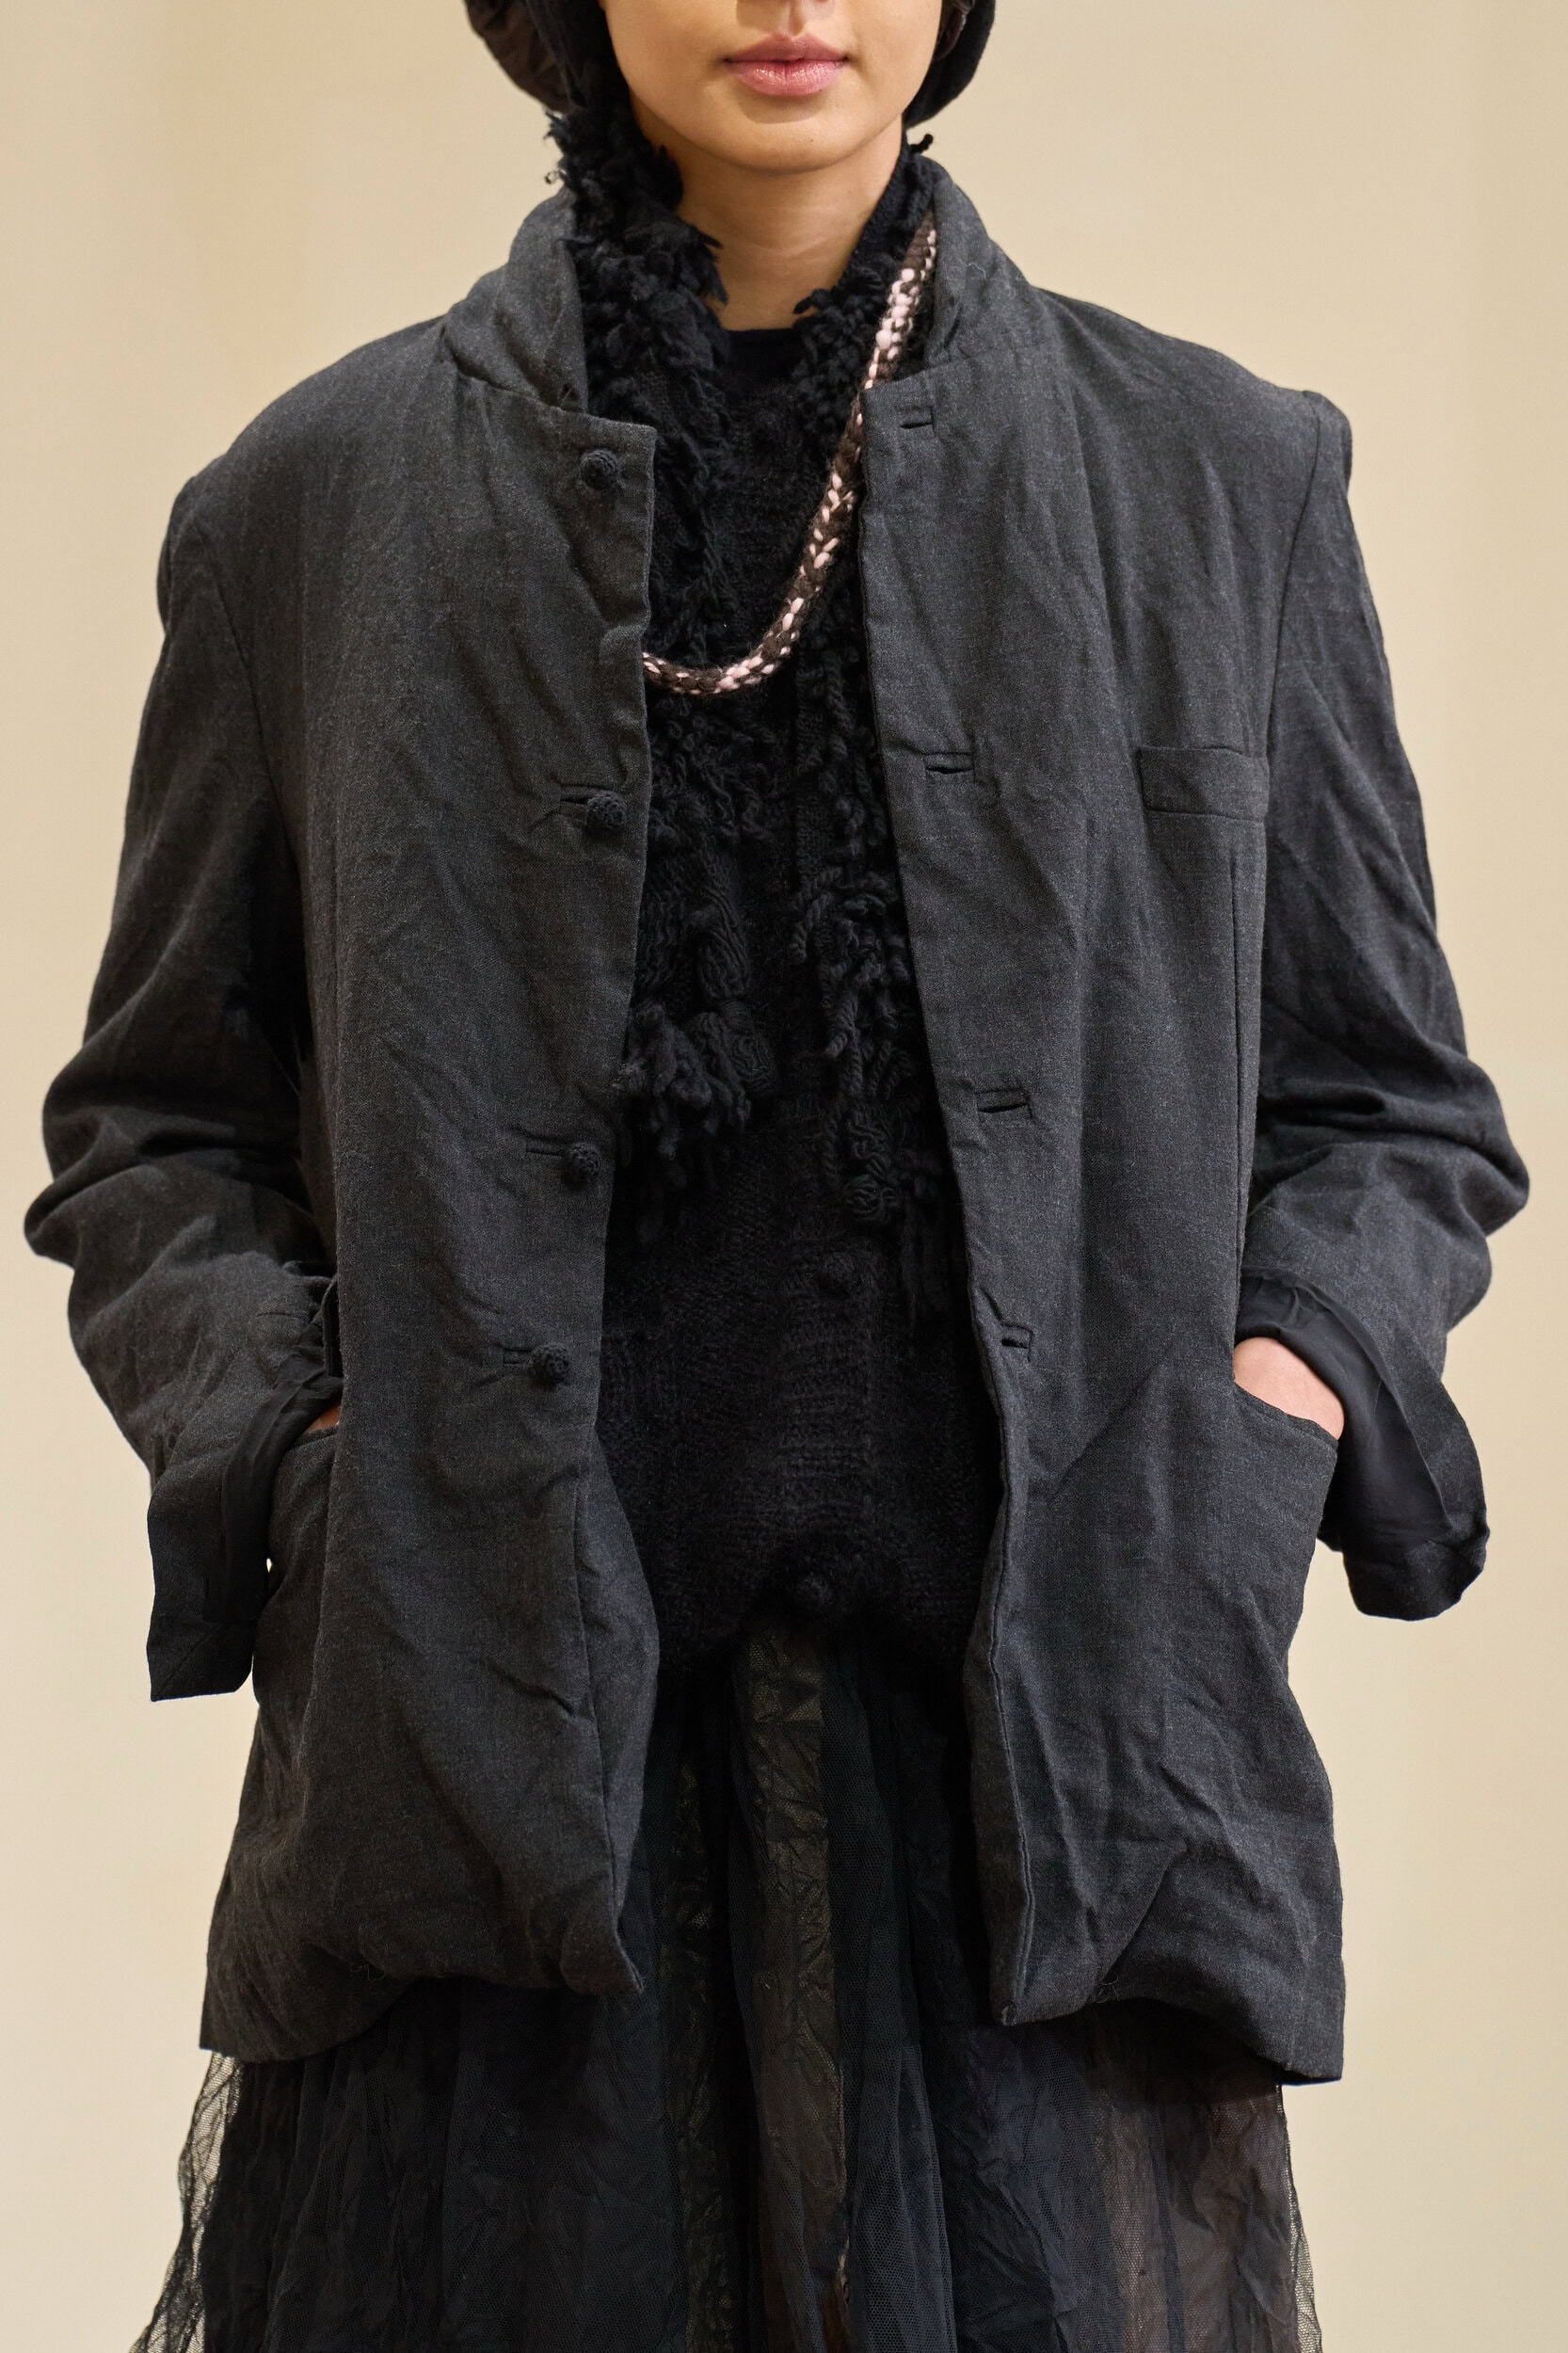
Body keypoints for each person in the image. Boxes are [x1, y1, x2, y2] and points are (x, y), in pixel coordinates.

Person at [27, 3, 1527, 2347]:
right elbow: (158, 1129)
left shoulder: (1215, 478)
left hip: (1044, 1791)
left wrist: (1256, 1426)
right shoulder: (315, 504)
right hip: (498, 1797)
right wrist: (313, 1454)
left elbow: (1386, 1111)